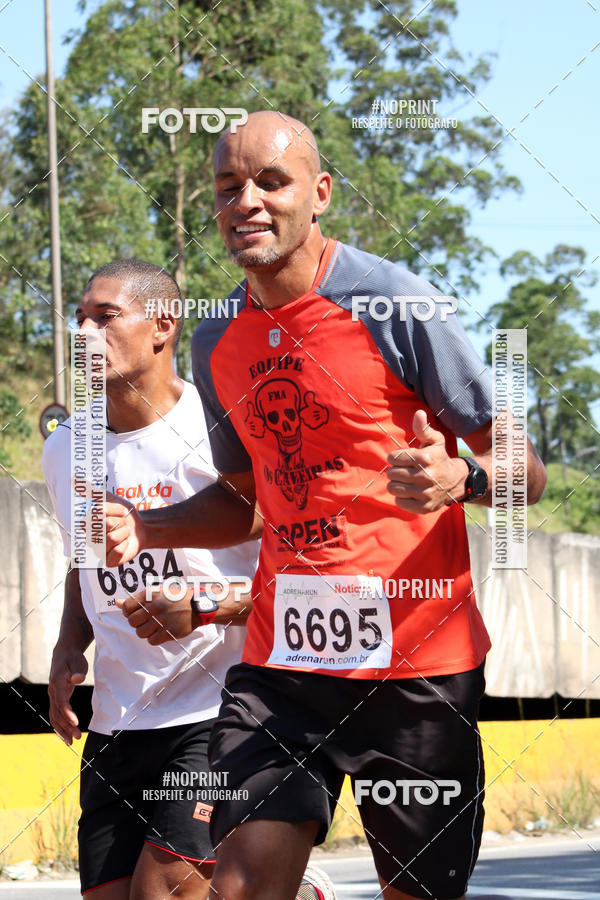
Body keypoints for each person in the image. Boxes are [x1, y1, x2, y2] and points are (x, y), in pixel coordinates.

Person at [102, 113, 547, 900]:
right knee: (238, 887)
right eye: (227, 187)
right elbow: (248, 502)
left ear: (320, 193)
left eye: (272, 181)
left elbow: (527, 469)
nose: (248, 201)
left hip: (416, 664)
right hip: (285, 668)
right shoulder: (218, 339)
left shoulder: (395, 302)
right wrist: (152, 525)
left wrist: (463, 481)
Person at [42, 259, 261, 899]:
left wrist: (205, 606)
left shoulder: (220, 429)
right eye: (79, 319)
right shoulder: (65, 449)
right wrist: (66, 647)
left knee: (161, 894)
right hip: (117, 720)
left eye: (106, 317)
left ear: (163, 325)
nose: (85, 333)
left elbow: (293, 566)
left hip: (217, 710)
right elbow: (82, 560)